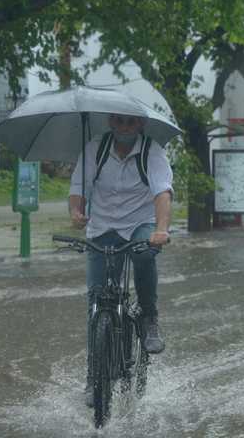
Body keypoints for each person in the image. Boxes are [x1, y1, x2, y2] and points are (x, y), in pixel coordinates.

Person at [69, 113, 172, 406]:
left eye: (130, 123)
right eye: (118, 121)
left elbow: (162, 193)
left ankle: (149, 318)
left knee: (144, 256)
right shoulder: (94, 149)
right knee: (95, 300)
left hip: (140, 224)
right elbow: (77, 189)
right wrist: (76, 213)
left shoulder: (152, 151)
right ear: (110, 123)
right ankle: (93, 378)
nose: (124, 127)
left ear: (140, 125)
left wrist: (161, 230)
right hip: (102, 227)